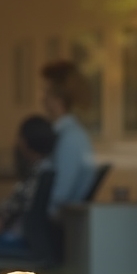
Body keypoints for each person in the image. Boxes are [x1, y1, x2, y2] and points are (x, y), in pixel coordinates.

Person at [0, 115, 57, 258]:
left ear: (25, 143)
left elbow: (6, 215)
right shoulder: (45, 170)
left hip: (16, 238)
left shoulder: (37, 175)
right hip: (26, 237)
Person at [41, 60, 97, 218]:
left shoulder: (71, 138)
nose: (42, 98)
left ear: (57, 98)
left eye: (46, 91)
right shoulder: (64, 134)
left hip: (50, 227)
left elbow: (59, 195)